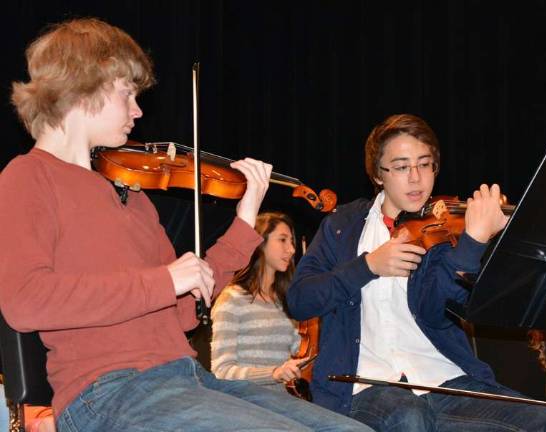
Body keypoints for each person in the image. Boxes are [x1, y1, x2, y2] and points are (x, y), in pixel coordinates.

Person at [0, 18, 373, 432]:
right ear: (84, 85)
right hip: (107, 391)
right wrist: (164, 280)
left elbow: (182, 314)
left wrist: (246, 216)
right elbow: (24, 301)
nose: (138, 111)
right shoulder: (28, 178)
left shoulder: (133, 195)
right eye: (128, 94)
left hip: (186, 377)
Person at [286, 113, 546, 431]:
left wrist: (473, 243)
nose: (416, 178)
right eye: (402, 166)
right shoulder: (342, 227)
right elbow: (300, 300)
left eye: (425, 164)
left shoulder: (443, 231)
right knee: (408, 416)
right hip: (367, 388)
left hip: (444, 381)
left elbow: (437, 311)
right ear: (379, 175)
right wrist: (368, 266)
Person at [211, 212, 306, 391]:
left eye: (292, 241)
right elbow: (221, 372)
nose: (292, 249)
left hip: (283, 400)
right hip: (246, 402)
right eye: (283, 240)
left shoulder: (285, 301)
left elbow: (298, 350)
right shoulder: (232, 299)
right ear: (260, 243)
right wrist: (273, 373)